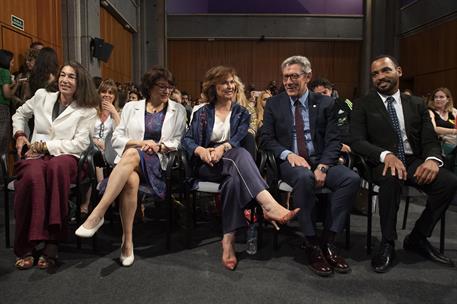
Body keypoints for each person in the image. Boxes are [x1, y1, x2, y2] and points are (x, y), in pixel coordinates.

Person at [182, 65, 299, 271]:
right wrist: (201, 150)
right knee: (240, 158)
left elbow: (237, 139)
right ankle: (268, 204)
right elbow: (188, 139)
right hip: (206, 165)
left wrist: (222, 148)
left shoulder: (242, 112)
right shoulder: (202, 112)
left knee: (234, 177)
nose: (230, 86)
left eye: (232, 81)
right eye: (224, 82)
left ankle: (228, 241)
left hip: (231, 162)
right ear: (213, 87)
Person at [350, 55, 457, 273]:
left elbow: (429, 140)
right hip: (381, 161)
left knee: (448, 181)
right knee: (391, 178)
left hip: (414, 160)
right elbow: (356, 140)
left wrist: (432, 160)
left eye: (385, 70)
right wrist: (385, 155)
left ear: (399, 71)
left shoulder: (417, 104)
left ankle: (418, 237)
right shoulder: (363, 104)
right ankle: (387, 242)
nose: (380, 77)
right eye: (375, 74)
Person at [75, 67, 187, 267]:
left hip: (158, 163)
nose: (167, 91)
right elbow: (117, 138)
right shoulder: (130, 107)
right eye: (162, 86)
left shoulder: (177, 110)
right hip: (130, 165)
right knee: (131, 179)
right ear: (150, 87)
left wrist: (159, 146)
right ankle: (127, 242)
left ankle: (98, 212)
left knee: (131, 154)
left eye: (170, 87)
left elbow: (178, 141)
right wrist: (139, 143)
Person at [260, 56, 360, 277]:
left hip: (321, 159)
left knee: (351, 179)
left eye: (294, 76)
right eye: (285, 77)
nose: (288, 82)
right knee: (304, 178)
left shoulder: (326, 102)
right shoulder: (274, 104)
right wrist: (288, 154)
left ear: (308, 76)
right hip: (291, 163)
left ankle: (329, 241)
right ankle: (312, 242)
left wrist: (323, 165)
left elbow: (334, 140)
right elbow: (266, 138)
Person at [12, 61, 99, 270]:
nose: (64, 80)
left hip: (67, 156)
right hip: (36, 155)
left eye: (71, 77)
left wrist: (46, 146)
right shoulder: (42, 95)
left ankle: (52, 241)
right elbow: (20, 114)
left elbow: (80, 144)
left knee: (56, 168)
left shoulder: (87, 109)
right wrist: (20, 134)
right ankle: (28, 243)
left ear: (81, 83)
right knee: (32, 175)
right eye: (62, 75)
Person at [79, 79, 121, 219]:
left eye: (111, 93)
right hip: (90, 147)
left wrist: (114, 113)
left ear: (115, 96)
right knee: (95, 155)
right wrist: (95, 141)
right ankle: (101, 194)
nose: (107, 95)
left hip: (110, 149)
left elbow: (121, 133)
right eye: (104, 92)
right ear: (99, 93)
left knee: (108, 152)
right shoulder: (91, 111)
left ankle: (102, 195)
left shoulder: (118, 113)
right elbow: (83, 131)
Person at [427, 87, 457, 173]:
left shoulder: (453, 112)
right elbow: (435, 129)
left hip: (453, 143)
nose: (438, 99)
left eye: (441, 97)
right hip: (439, 144)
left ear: (448, 99)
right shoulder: (430, 111)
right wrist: (454, 131)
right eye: (436, 97)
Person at [0, 49, 20, 157]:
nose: (13, 65)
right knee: (3, 140)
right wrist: (16, 84)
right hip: (2, 108)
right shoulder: (5, 72)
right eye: (12, 62)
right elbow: (7, 94)